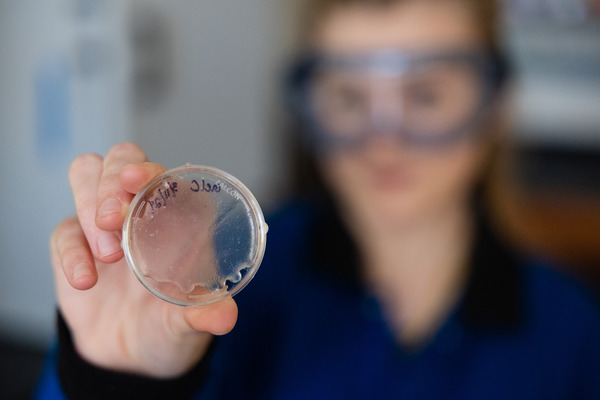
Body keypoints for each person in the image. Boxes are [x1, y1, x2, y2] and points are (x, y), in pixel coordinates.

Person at [36, 0, 600, 398]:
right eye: (350, 97)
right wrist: (117, 381)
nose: (386, 139)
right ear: (310, 109)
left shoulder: (572, 333)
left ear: (494, 105)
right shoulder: (212, 281)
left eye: (426, 95)